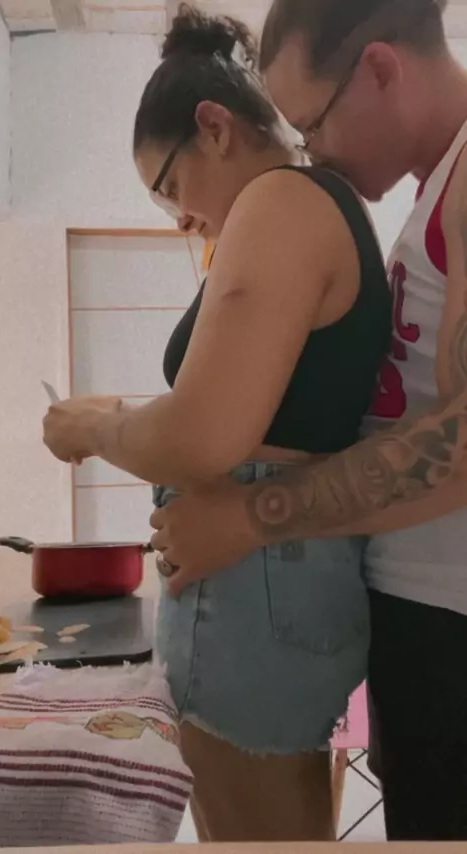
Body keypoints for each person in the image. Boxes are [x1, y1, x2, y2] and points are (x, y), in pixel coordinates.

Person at [42, 4, 392, 842]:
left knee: (249, 835)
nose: (178, 216)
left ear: (214, 127)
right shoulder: (317, 207)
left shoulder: (280, 202)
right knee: (279, 825)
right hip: (278, 574)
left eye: (169, 185)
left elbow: (201, 438)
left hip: (253, 587)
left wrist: (95, 425)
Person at [148, 0, 467, 843]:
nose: (310, 151)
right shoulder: (430, 193)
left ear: (381, 70)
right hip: (419, 619)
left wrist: (252, 516)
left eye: (312, 124)